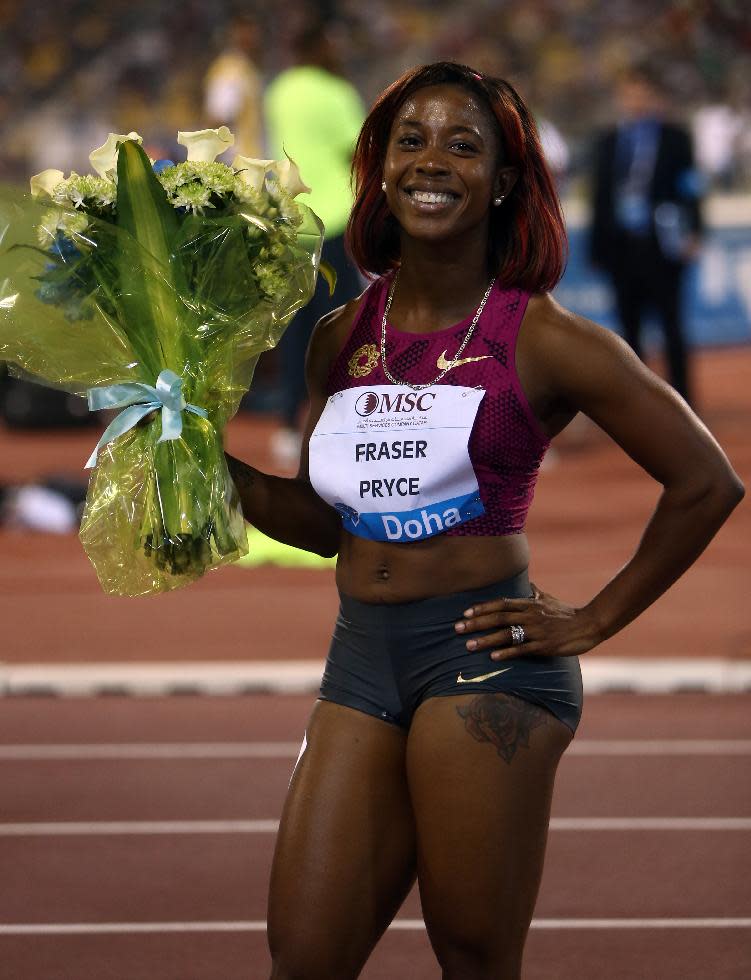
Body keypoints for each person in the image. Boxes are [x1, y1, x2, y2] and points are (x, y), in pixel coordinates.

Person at [225, 62, 743, 980]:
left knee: (471, 956)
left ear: (503, 181)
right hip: (359, 658)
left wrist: (592, 619)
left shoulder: (542, 338)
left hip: (482, 659)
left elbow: (706, 481)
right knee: (303, 955)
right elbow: (319, 519)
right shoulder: (339, 337)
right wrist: (204, 468)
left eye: (463, 145)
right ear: (379, 167)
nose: (432, 162)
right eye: (410, 141)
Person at [263, 22, 365, 464]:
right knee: (344, 324)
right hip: (336, 218)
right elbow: (356, 150)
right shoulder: (338, 93)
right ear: (322, 45)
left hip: (291, 218)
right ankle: (343, 420)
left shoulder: (279, 90)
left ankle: (289, 423)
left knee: (295, 325)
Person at [589, 63, 704, 406]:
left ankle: (684, 404)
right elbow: (600, 196)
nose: (636, 98)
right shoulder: (609, 141)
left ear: (655, 96)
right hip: (622, 247)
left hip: (664, 245)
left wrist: (694, 231)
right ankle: (638, 404)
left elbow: (691, 188)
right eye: (629, 92)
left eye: (642, 91)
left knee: (672, 326)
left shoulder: (676, 138)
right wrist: (597, 248)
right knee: (628, 329)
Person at [204, 15, 264, 159]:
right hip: (237, 158)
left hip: (246, 155)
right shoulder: (231, 69)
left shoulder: (245, 66)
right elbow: (218, 116)